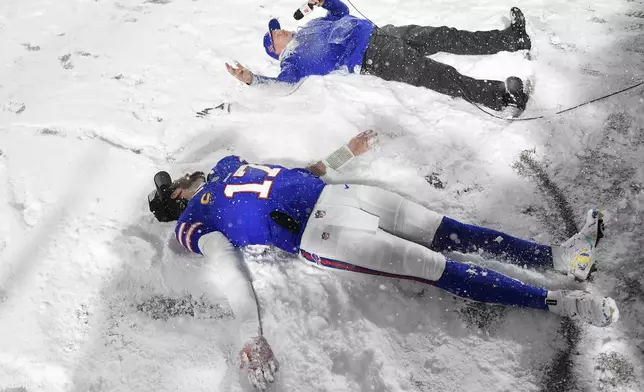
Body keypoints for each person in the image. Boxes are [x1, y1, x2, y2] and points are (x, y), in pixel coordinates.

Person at [148, 131, 618, 391]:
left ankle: (561, 256)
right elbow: (228, 272)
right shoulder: (195, 220)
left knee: (451, 230)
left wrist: (343, 153)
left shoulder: (228, 168)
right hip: (325, 234)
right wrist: (252, 333)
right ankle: (557, 302)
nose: (184, 178)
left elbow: (300, 174)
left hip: (343, 195)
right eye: (175, 186)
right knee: (438, 267)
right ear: (177, 197)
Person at [226, 0, 532, 113]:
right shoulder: (291, 62)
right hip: (374, 57)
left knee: (445, 34)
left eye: (278, 29)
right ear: (274, 48)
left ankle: (513, 38)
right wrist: (251, 79)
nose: (281, 31)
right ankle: (502, 97)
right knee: (440, 75)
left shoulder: (310, 25)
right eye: (275, 34)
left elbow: (340, 11)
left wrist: (323, 2)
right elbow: (281, 86)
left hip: (385, 33)